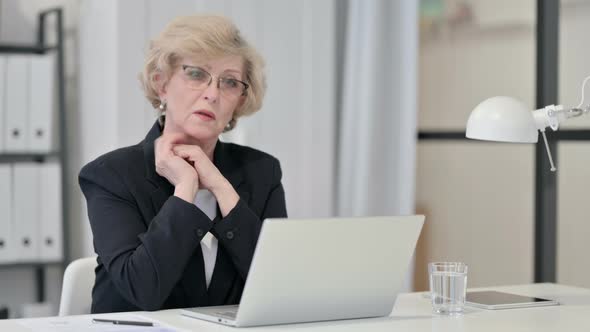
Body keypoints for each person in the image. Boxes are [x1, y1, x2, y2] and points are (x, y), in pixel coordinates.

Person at [79, 15, 287, 314]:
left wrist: (219, 186)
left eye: (229, 82)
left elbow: (279, 287)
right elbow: (142, 290)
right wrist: (185, 188)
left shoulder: (262, 172)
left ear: (239, 101)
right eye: (196, 74)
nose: (212, 93)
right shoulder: (111, 175)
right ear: (161, 84)